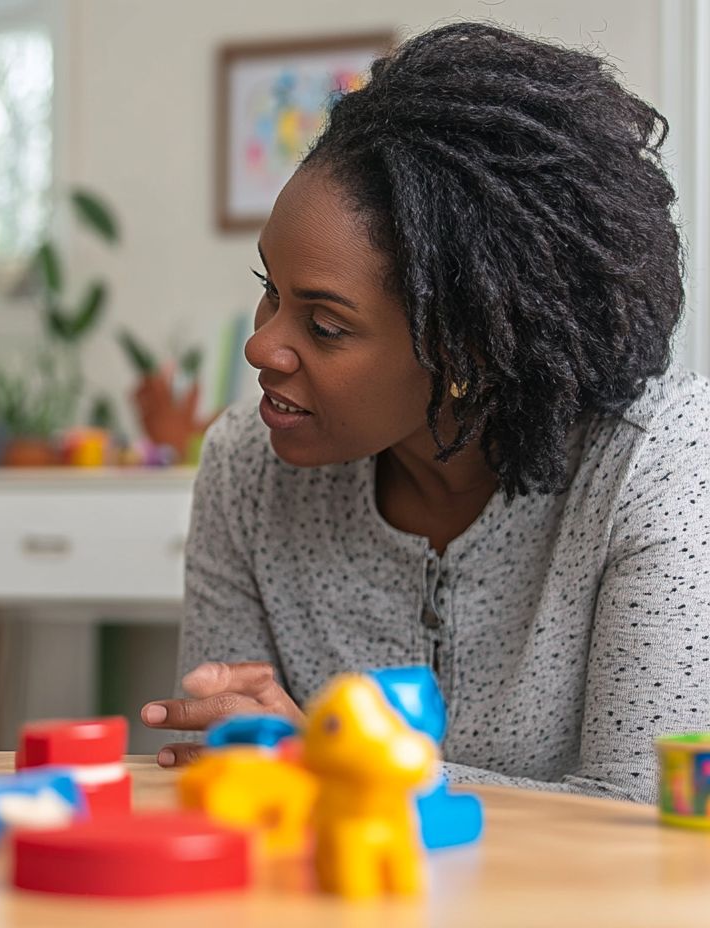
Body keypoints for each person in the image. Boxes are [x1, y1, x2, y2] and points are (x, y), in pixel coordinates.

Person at [141, 22, 710, 804]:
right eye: (268, 288)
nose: (262, 346)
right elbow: (233, 769)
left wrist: (332, 762)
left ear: (469, 352)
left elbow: (649, 820)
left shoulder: (655, 463)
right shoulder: (248, 465)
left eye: (326, 325)